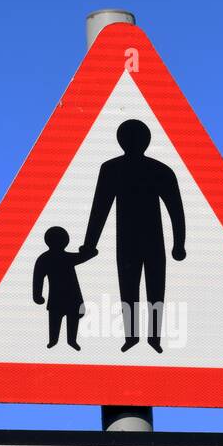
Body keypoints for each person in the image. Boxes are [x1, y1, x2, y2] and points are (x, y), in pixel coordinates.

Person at [79, 119, 185, 353]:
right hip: (129, 242)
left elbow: (175, 210)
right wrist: (89, 245)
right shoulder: (113, 169)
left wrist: (179, 244)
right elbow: (100, 208)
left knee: (153, 289)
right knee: (131, 290)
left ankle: (153, 338)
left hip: (149, 242)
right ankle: (133, 337)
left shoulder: (159, 171)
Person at [32, 227, 95, 350]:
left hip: (70, 296)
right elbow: (38, 278)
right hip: (60, 296)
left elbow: (82, 257)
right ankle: (53, 341)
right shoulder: (45, 259)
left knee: (71, 318)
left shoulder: (52, 258)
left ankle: (71, 341)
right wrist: (37, 295)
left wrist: (89, 252)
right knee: (56, 319)